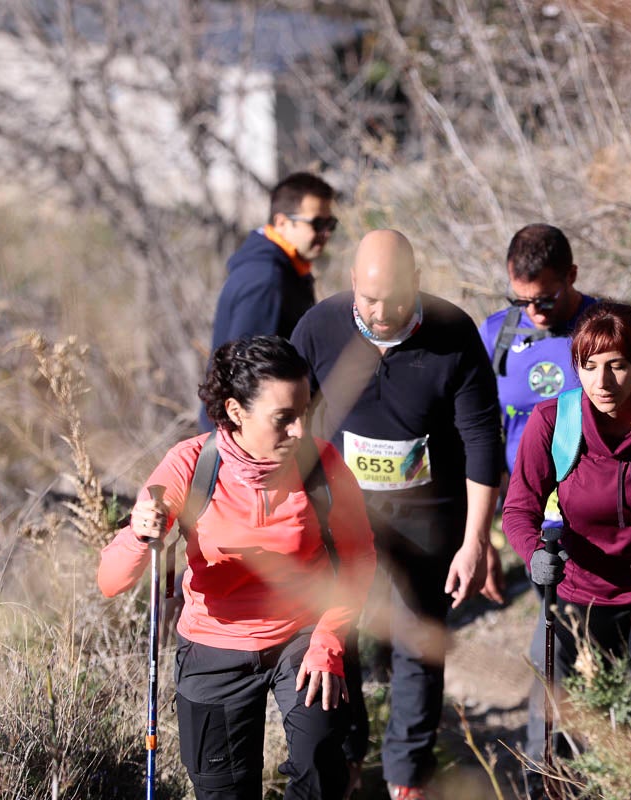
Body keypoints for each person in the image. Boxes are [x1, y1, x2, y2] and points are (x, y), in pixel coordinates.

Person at [98, 335, 377, 800]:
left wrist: (329, 638)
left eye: (305, 413)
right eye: (283, 419)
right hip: (213, 646)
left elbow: (359, 559)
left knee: (321, 768)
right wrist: (137, 534)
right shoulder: (191, 466)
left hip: (303, 633)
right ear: (235, 411)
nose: (299, 432)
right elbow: (111, 581)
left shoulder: (323, 466)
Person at [290, 230, 502, 800]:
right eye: (370, 299)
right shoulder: (320, 328)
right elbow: (289, 420)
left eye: (396, 298)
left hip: (426, 520)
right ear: (354, 283)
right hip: (339, 516)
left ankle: (407, 774)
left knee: (416, 641)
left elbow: (482, 438)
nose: (382, 313)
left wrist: (475, 541)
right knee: (340, 632)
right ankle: (350, 754)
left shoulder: (453, 333)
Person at [501, 301, 631, 789]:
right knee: (557, 733)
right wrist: (535, 553)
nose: (603, 381)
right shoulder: (554, 421)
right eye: (589, 366)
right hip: (578, 596)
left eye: (618, 365)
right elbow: (519, 509)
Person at [478, 223, 631, 478]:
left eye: (545, 300)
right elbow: (477, 422)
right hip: (527, 500)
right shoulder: (495, 333)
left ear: (571, 275)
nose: (533, 311)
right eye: (520, 301)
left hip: (604, 495)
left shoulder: (613, 328)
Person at [202, 173, 338, 430]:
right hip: (249, 445)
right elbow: (246, 375)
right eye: (317, 223)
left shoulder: (286, 273)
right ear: (282, 222)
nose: (326, 233)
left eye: (331, 223)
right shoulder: (266, 281)